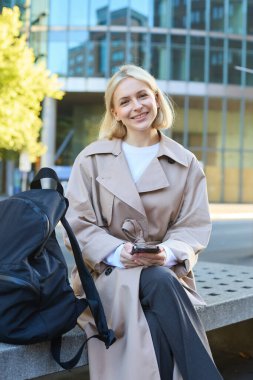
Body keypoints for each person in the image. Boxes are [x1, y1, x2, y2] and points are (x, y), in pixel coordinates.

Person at [64, 64, 223, 380]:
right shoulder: (91, 159)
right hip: (106, 275)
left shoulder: (185, 163)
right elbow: (76, 224)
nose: (136, 106)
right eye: (125, 101)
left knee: (155, 313)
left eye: (142, 96)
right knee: (159, 285)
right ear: (115, 111)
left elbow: (193, 225)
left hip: (165, 274)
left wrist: (168, 252)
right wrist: (115, 252)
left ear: (157, 98)